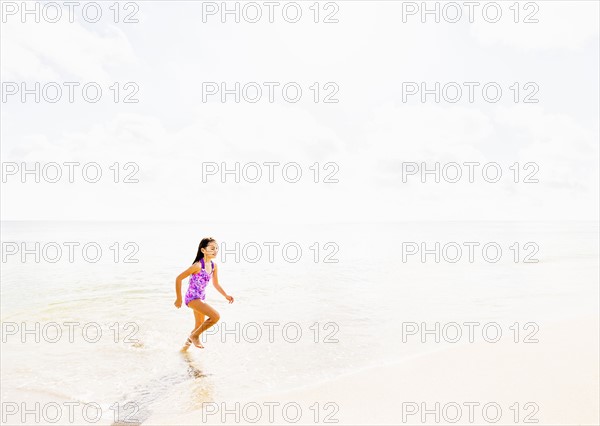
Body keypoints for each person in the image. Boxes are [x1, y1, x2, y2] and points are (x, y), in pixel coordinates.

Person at [174, 237, 234, 349]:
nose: (215, 250)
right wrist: (179, 298)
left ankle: (184, 350)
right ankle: (195, 337)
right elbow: (178, 279)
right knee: (215, 316)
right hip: (192, 298)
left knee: (198, 326)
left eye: (216, 248)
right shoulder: (197, 265)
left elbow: (216, 284)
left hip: (201, 298)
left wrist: (225, 295)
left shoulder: (213, 266)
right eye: (212, 248)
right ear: (203, 250)